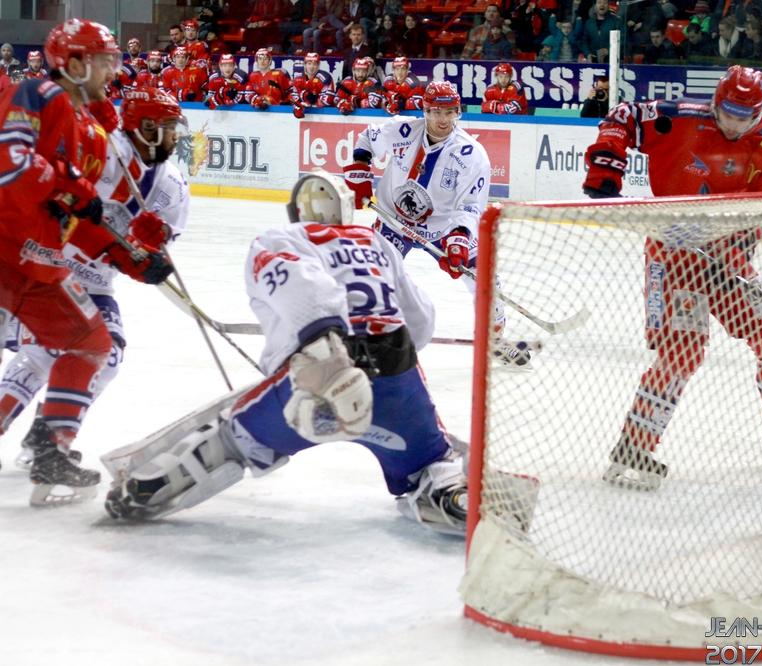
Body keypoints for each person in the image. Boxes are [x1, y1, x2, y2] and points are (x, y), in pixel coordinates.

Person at [103, 172, 470, 535]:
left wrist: (325, 349)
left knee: (233, 440)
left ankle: (147, 489)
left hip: (314, 384)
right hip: (397, 378)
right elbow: (420, 320)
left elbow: (299, 283)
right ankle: (450, 495)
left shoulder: (282, 237)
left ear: (296, 211)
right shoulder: (376, 243)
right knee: (432, 462)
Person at [581, 65, 762, 491]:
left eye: (744, 115)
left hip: (726, 260)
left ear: (759, 111)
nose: (734, 123)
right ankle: (634, 446)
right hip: (673, 256)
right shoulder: (677, 118)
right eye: (728, 112)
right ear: (716, 102)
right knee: (684, 351)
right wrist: (607, 166)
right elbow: (622, 114)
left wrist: (733, 251)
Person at [0, 20, 173, 501]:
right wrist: (68, 190)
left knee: (90, 341)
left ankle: (50, 445)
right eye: (102, 61)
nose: (111, 70)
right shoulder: (36, 93)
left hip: (34, 261)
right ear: (73, 64)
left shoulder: (92, 133)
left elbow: (78, 218)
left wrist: (135, 259)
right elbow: (10, 162)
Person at [340, 80, 528, 366]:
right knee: (371, 274)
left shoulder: (472, 154)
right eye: (436, 112)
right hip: (394, 220)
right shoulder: (402, 130)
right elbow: (367, 139)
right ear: (425, 111)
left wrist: (459, 238)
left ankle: (495, 340)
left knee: (487, 277)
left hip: (443, 228)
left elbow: (469, 205)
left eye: (450, 112)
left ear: (458, 112)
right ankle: (360, 335)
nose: (443, 119)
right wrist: (360, 170)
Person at [290, 52, 334, 117]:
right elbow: (293, 96)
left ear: (318, 66)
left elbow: (327, 100)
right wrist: (300, 104)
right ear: (305, 65)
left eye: (315, 64)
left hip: (325, 114)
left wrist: (313, 100)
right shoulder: (298, 78)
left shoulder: (325, 78)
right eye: (309, 64)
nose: (311, 67)